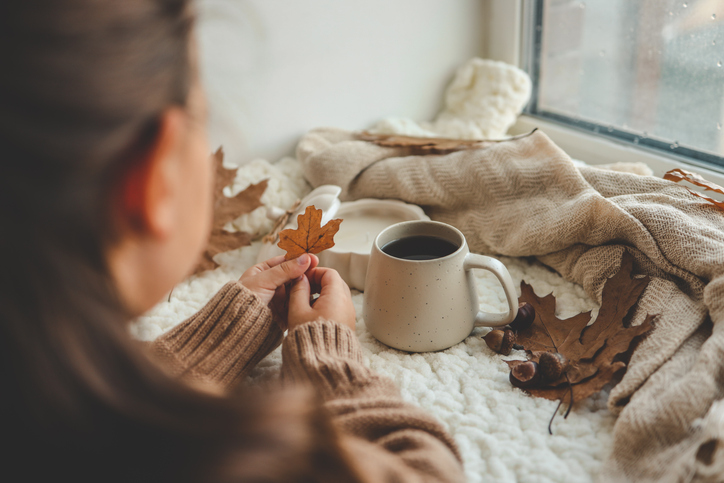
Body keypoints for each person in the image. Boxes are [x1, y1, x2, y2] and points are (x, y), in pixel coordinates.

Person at [0, 1, 465, 481]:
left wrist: (227, 330)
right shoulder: (242, 460)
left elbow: (101, 400)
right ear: (153, 180)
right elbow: (426, 469)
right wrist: (330, 359)